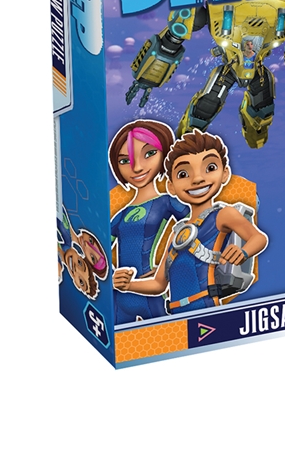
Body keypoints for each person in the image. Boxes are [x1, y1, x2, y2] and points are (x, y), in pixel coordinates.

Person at [113, 131, 267, 314]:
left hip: (204, 307)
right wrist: (128, 285)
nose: (197, 179)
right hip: (175, 313)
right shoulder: (177, 233)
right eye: (183, 174)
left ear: (225, 173)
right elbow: (159, 284)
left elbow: (259, 238)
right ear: (171, 186)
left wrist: (243, 252)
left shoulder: (223, 214)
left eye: (210, 168)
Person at [108, 121, 186, 323]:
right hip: (120, 294)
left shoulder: (166, 202)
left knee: (166, 336)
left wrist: (166, 267)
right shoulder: (121, 214)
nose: (137, 167)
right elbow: (99, 251)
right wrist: (112, 275)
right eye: (125, 161)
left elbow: (196, 228)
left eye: (149, 153)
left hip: (150, 289)